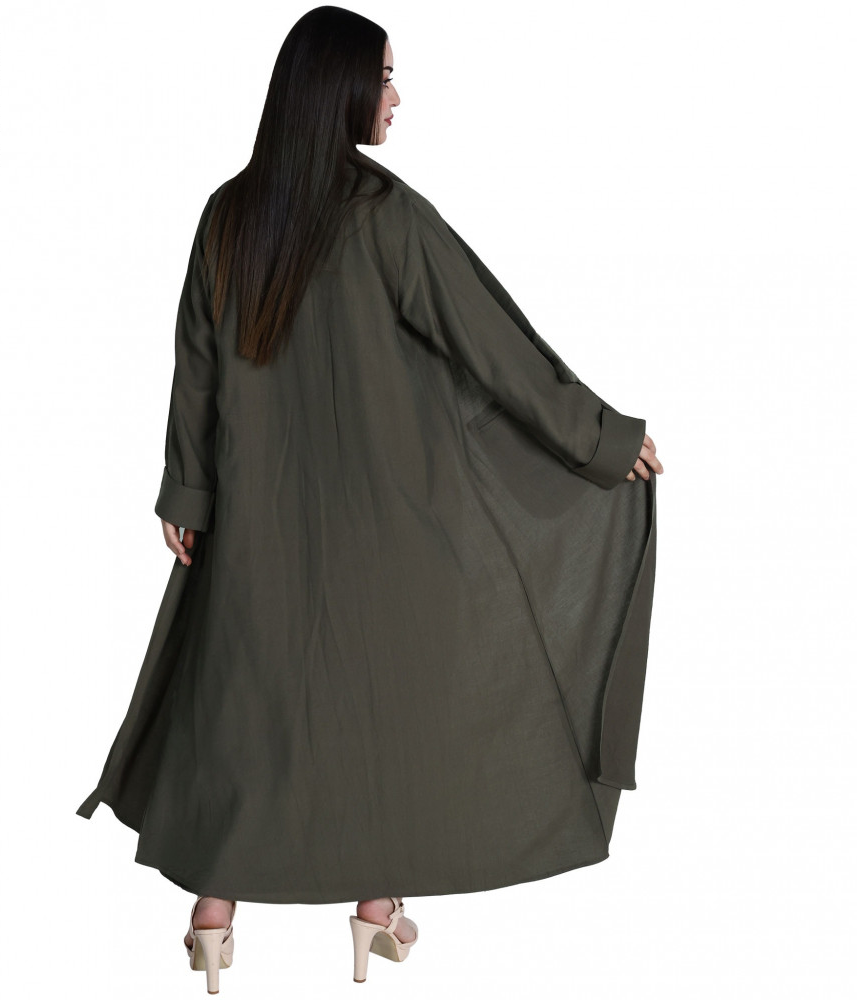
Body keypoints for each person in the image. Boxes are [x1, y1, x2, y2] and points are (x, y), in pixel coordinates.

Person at [76, 5, 663, 992]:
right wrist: (601, 440)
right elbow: (494, 349)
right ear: (339, 88)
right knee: (379, 709)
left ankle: (213, 920)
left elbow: (196, 365)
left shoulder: (228, 214)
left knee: (246, 707)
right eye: (385, 76)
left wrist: (188, 491)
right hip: (387, 526)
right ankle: (375, 909)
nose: (396, 96)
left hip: (255, 519)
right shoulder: (383, 214)